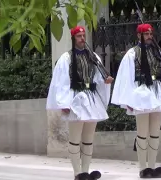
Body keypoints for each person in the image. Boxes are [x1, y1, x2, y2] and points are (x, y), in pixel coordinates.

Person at [111, 23, 161, 178]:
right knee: (142, 133)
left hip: (158, 92)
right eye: (146, 34)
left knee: (155, 133)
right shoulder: (132, 53)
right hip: (140, 93)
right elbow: (126, 77)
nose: (149, 36)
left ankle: (152, 166)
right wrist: (128, 98)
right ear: (138, 35)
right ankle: (143, 168)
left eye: (150, 33)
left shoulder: (158, 52)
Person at [46, 25, 113, 180]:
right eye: (79, 36)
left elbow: (97, 78)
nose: (82, 38)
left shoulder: (94, 57)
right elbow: (61, 82)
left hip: (91, 99)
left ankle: (86, 171)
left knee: (88, 139)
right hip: (76, 99)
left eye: (83, 36)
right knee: (75, 139)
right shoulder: (66, 58)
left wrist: (105, 82)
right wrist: (64, 103)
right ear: (73, 39)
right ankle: (77, 173)